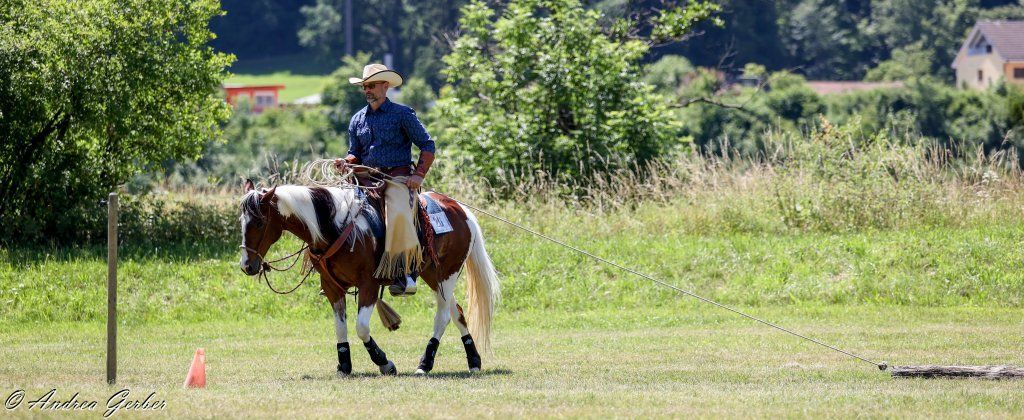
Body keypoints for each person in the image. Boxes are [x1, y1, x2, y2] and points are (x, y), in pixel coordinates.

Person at [334, 63, 435, 296]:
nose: (366, 90)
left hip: (396, 178)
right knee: (338, 212)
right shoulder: (357, 119)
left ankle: (404, 272)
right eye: (364, 86)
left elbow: (427, 145)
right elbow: (354, 152)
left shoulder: (403, 114)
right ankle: (339, 271)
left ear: (385, 86)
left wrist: (418, 175)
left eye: (371, 85)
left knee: (398, 213)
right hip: (363, 179)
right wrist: (345, 162)